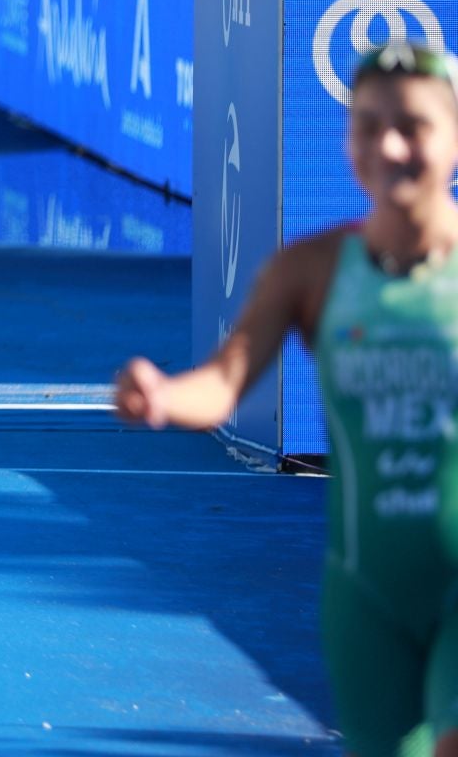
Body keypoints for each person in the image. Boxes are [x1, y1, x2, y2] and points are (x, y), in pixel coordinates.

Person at [114, 40, 458, 757]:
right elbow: (227, 380)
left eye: (414, 126)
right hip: (368, 598)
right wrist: (164, 397)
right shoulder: (311, 269)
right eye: (368, 125)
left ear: (453, 137)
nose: (390, 145)